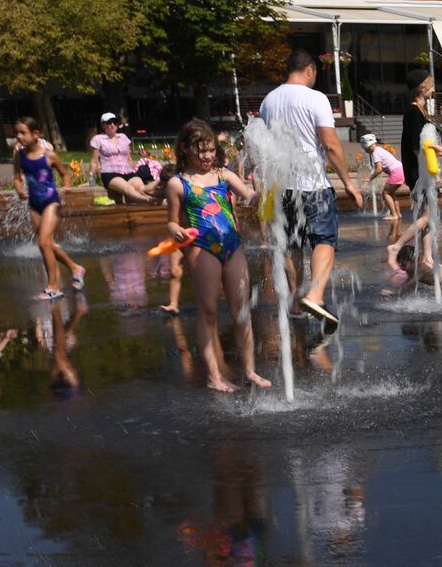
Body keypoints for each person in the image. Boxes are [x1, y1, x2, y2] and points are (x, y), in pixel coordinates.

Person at [258, 49, 364, 326]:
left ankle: (295, 302)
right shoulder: (316, 98)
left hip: (283, 187)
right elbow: (330, 144)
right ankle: (315, 295)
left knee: (293, 244)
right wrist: (349, 183)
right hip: (313, 185)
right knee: (324, 239)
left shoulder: (268, 101)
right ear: (309, 70)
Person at [165, 119, 270, 393]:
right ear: (186, 149)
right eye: (202, 151)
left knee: (242, 311)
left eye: (211, 150)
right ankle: (214, 376)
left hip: (232, 246)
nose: (208, 156)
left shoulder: (223, 175)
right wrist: (175, 229)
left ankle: (249, 370)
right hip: (202, 249)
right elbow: (171, 221)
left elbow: (248, 194)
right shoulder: (178, 184)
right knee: (209, 311)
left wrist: (262, 193)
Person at [12, 117, 84, 301]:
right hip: (34, 204)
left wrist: (66, 187)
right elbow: (17, 178)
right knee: (47, 244)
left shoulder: (49, 155)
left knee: (43, 242)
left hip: (51, 202)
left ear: (36, 134)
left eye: (23, 132)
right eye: (17, 133)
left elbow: (64, 174)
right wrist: (20, 191)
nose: (19, 136)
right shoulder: (19, 155)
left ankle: (54, 287)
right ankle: (75, 268)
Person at [89, 114, 154, 204]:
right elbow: (94, 161)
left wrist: (132, 171)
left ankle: (150, 197)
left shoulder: (123, 137)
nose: (112, 125)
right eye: (109, 123)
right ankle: (147, 200)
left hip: (127, 171)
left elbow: (129, 158)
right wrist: (92, 177)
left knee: (140, 186)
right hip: (110, 173)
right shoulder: (98, 139)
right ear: (103, 125)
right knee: (127, 188)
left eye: (114, 122)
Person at [359, 134, 403, 221]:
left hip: (396, 172)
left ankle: (394, 214)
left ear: (367, 146)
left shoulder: (376, 153)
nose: (366, 151)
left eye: (365, 149)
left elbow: (378, 169)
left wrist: (370, 178)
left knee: (385, 193)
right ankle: (398, 213)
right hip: (401, 170)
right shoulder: (380, 149)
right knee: (391, 193)